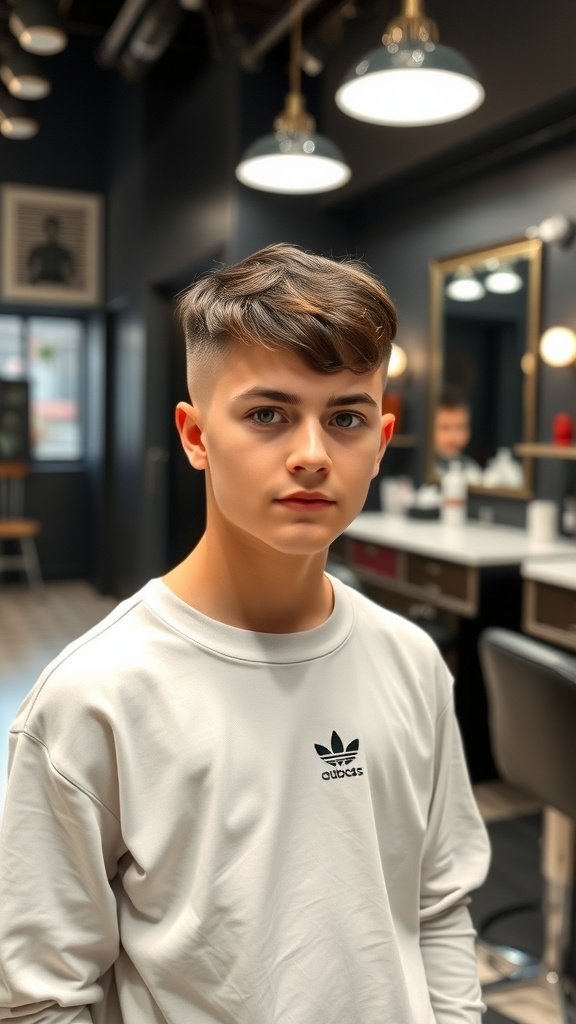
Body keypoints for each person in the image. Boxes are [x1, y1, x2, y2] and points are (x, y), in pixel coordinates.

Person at [0, 243, 490, 1024]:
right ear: (195, 436)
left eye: (346, 418)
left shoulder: (412, 661)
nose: (310, 455)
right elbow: (43, 998)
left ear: (382, 439)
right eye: (268, 414)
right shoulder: (96, 697)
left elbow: (437, 910)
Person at [434, 386, 483, 484]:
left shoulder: (472, 471)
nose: (453, 437)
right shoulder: (423, 470)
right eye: (445, 428)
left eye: (460, 427)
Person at [27, 214, 75, 285]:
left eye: (54, 229)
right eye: (49, 229)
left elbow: (69, 274)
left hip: (60, 286)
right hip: (40, 285)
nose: (51, 232)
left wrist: (66, 277)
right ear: (45, 230)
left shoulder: (65, 252)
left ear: (58, 230)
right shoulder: (37, 250)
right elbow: (32, 272)